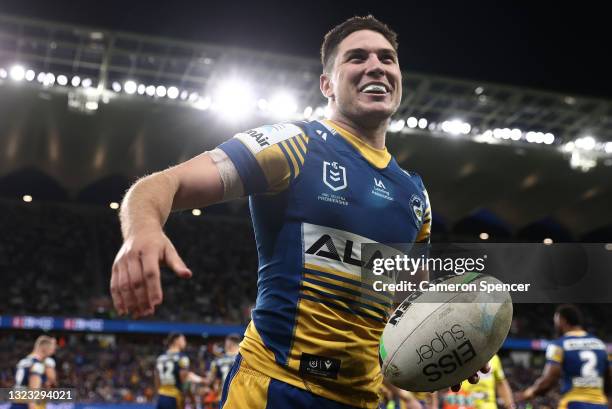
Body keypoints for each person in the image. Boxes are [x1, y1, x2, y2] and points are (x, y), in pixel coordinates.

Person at [111, 15, 485, 409]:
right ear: (326, 84)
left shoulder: (415, 195)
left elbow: (410, 306)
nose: (376, 66)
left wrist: (447, 340)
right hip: (276, 388)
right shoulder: (294, 145)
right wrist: (143, 230)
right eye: (356, 58)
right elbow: (161, 184)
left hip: (362, 400)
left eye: (387, 58)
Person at [517, 304, 611, 409]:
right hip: (600, 404)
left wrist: (529, 392)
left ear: (562, 320)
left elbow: (548, 381)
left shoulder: (559, 345)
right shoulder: (600, 345)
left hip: (574, 403)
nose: (555, 325)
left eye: (555, 322)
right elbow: (609, 377)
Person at [155, 333, 204, 409]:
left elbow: (157, 379)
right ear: (176, 341)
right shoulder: (182, 357)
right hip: (174, 396)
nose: (185, 342)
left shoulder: (160, 358)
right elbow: (184, 380)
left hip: (161, 396)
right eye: (183, 340)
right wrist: (190, 396)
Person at [10, 336, 57, 409]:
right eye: (51, 349)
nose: (53, 352)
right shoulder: (37, 365)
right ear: (44, 348)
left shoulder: (24, 361)